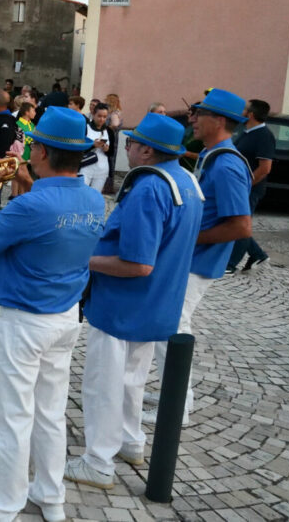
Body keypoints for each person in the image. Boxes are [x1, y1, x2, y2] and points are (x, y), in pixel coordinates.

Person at [0, 107, 104, 522]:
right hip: (65, 318)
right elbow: (42, 229)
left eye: (33, 145)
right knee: (51, 412)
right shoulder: (93, 199)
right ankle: (51, 498)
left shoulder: (33, 204)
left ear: (40, 151)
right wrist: (24, 184)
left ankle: (2, 507)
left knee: (13, 416)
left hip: (25, 321)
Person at [64, 114, 203, 490]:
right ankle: (130, 440)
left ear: (146, 149)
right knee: (132, 379)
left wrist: (82, 259)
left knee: (103, 383)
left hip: (123, 304)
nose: (126, 148)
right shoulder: (187, 180)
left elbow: (138, 263)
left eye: (130, 143)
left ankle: (98, 461)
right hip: (159, 303)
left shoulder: (148, 188)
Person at [144, 88, 251, 426]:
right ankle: (171, 392)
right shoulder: (213, 155)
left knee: (172, 326)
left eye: (199, 114)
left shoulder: (227, 164)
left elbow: (241, 227)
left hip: (198, 260)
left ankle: (178, 405)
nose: (192, 118)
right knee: (167, 324)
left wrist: (188, 239)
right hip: (191, 258)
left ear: (219, 121)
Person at [225, 99, 274, 274]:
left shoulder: (264, 136)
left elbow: (265, 168)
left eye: (244, 109)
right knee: (235, 221)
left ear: (250, 114)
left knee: (240, 223)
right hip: (240, 187)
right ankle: (257, 254)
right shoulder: (246, 132)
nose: (241, 112)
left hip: (251, 189)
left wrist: (246, 186)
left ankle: (231, 264)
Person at [80, 104, 111, 192]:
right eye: (99, 116)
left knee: (95, 195)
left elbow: (112, 152)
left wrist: (106, 149)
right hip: (86, 166)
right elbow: (79, 148)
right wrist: (92, 145)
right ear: (94, 114)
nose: (102, 119)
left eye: (104, 117)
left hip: (102, 168)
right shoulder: (86, 128)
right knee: (82, 193)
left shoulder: (108, 131)